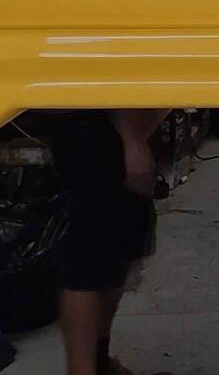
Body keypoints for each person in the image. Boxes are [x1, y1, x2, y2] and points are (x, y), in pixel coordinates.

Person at [40, 109, 170, 375]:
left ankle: (98, 361)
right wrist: (131, 138)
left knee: (121, 240)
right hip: (95, 118)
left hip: (117, 120)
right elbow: (98, 73)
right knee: (88, 254)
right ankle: (83, 369)